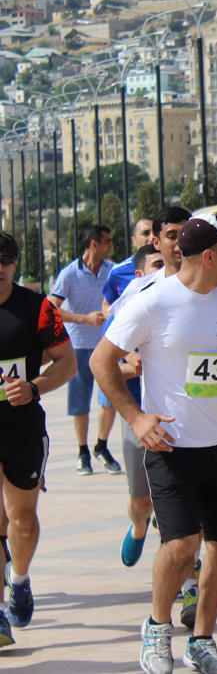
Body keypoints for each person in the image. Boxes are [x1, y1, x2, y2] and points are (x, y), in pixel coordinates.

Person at [92, 214, 217, 674]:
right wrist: (136, 417)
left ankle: (201, 641)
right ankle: (157, 630)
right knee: (182, 545)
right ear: (208, 256)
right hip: (171, 445)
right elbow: (102, 361)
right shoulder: (151, 302)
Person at [0, 231, 76, 649]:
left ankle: (20, 579)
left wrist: (33, 387)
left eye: (6, 259)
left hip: (22, 427)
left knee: (21, 518)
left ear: (14, 263)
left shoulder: (38, 307)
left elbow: (67, 363)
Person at [108, 243, 165, 570]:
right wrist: (135, 365)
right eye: (156, 264)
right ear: (140, 274)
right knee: (142, 501)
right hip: (138, 413)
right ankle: (140, 525)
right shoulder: (128, 308)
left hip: (183, 420)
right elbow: (103, 365)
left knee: (183, 503)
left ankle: (187, 577)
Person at [49, 223, 119, 476]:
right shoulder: (69, 274)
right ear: (94, 244)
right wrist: (84, 319)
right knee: (79, 404)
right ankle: (82, 452)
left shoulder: (113, 271)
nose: (111, 245)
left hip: (106, 347)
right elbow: (52, 308)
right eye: (107, 241)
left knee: (110, 400)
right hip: (77, 347)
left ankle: (101, 446)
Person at [101, 216, 154, 313]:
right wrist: (118, 323)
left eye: (155, 233)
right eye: (146, 233)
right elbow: (106, 304)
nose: (152, 237)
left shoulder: (172, 266)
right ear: (134, 241)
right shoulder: (118, 272)